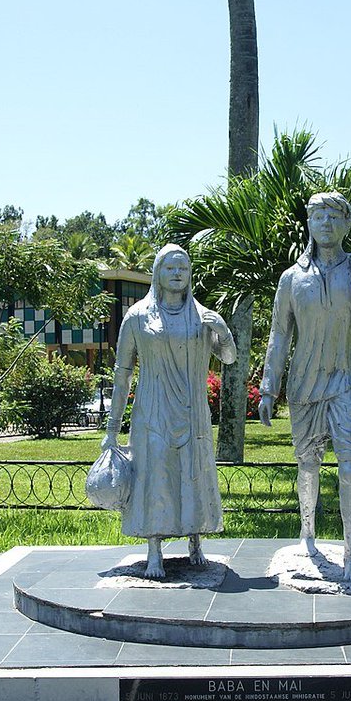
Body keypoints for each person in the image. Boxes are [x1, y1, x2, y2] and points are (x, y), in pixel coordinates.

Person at [259, 192, 351, 582]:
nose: (326, 223)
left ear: (347, 224)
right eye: (318, 216)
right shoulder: (291, 278)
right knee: (308, 465)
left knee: (350, 466)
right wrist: (269, 388)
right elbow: (279, 335)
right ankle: (308, 533)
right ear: (309, 223)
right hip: (305, 384)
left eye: (334, 216)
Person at [102, 244, 237, 578]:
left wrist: (223, 332)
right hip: (152, 410)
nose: (177, 273)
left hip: (192, 412)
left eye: (183, 268)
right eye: (170, 268)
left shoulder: (203, 316)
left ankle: (196, 540)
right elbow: (122, 374)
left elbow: (229, 358)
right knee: (154, 475)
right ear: (158, 273)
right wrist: (111, 429)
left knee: (194, 472)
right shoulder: (137, 317)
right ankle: (153, 551)